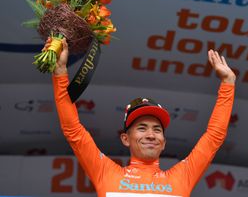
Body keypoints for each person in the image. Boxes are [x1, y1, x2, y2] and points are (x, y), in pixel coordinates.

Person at [49, 37, 236, 197]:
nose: (151, 135)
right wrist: (60, 75)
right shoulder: (105, 172)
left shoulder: (182, 177)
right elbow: (73, 130)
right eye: (141, 127)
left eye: (157, 129)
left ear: (163, 142)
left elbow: (214, 137)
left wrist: (228, 83)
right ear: (125, 139)